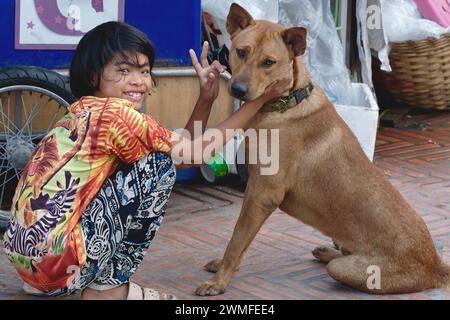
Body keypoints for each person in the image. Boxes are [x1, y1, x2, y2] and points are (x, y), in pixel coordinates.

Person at [3, 21, 293, 300]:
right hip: (60, 262)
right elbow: (194, 155)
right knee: (157, 165)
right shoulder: (121, 117)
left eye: (143, 70)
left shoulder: (80, 113)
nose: (138, 81)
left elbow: (187, 156)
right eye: (123, 70)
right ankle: (109, 289)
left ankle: (55, 282)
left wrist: (205, 99)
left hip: (31, 266)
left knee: (160, 159)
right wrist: (258, 100)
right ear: (94, 76)